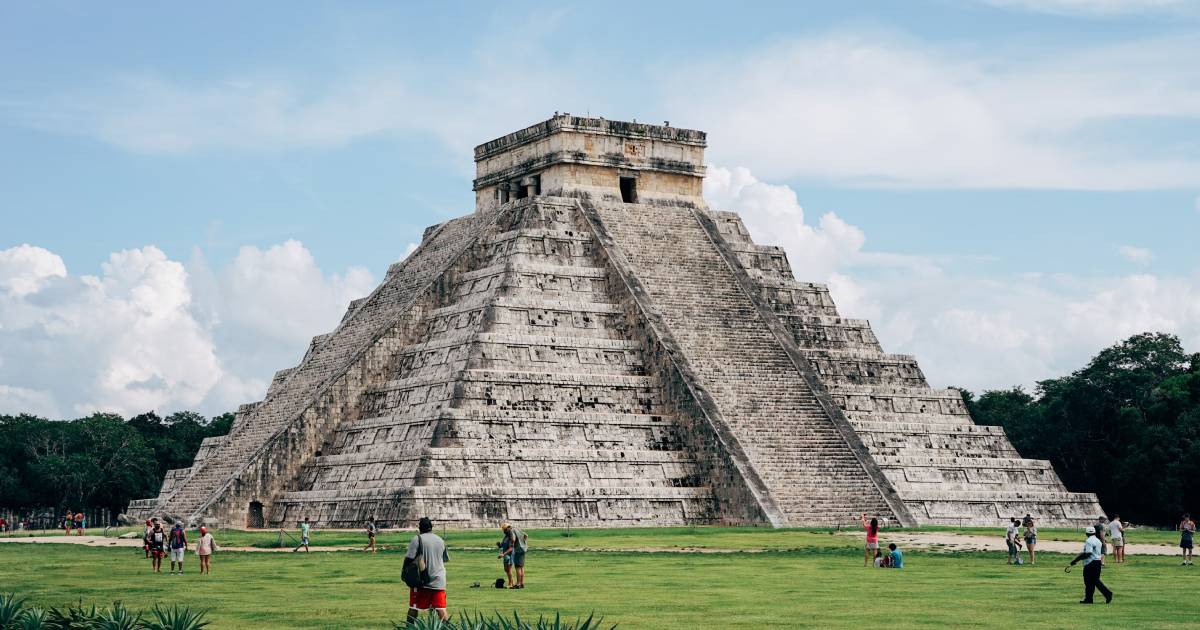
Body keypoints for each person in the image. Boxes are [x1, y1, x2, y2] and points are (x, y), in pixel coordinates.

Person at [406, 517, 450, 625]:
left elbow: (409, 558)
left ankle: (409, 627)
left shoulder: (417, 539)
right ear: (431, 527)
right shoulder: (440, 540)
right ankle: (448, 627)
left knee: (414, 607)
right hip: (439, 580)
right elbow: (445, 559)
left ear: (420, 528)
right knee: (441, 608)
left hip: (422, 580)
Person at [1069, 526, 1113, 604]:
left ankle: (1107, 594)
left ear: (1086, 533)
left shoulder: (1089, 541)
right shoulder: (1097, 540)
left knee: (1090, 581)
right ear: (1094, 532)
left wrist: (1076, 560)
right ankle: (1089, 599)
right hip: (1098, 562)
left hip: (1090, 563)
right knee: (1092, 581)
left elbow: (1088, 553)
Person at [499, 522, 528, 588]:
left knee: (517, 567)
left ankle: (518, 584)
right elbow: (526, 535)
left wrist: (512, 543)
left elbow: (513, 540)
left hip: (518, 549)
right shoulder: (517, 529)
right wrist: (524, 543)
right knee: (521, 567)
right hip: (523, 548)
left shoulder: (511, 531)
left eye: (505, 530)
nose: (504, 532)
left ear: (507, 528)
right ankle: (521, 583)